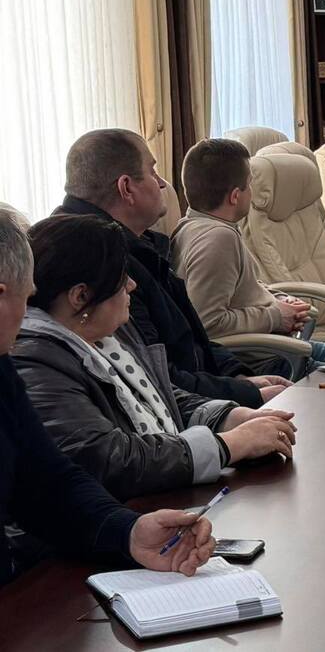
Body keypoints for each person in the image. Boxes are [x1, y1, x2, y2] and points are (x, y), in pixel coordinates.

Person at [13, 215, 298, 501]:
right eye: (121, 277)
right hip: (123, 515)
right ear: (80, 296)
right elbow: (109, 461)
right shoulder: (36, 364)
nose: (132, 285)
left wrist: (231, 417)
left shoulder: (109, 332)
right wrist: (230, 444)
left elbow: (162, 398)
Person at [0, 211, 214, 586]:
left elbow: (45, 479)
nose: (28, 314)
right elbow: (100, 457)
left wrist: (129, 532)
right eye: (26, 298)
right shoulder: (31, 355)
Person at [57, 130, 285, 407]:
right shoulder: (100, 259)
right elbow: (157, 379)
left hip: (206, 390)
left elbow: (193, 338)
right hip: (189, 411)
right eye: (152, 172)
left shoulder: (137, 246)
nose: (162, 183)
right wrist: (247, 393)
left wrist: (238, 376)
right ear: (127, 188)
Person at [171, 139, 325, 367]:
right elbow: (207, 324)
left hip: (277, 348)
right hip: (267, 360)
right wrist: (276, 316)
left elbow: (240, 291)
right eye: (249, 185)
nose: (251, 193)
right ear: (235, 196)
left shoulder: (192, 226)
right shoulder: (218, 239)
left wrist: (278, 299)